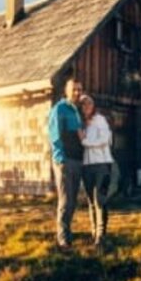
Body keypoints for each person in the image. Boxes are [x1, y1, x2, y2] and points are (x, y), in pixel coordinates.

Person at [47, 77, 84, 248]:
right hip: (64, 160)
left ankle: (67, 232)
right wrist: (60, 158)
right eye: (74, 89)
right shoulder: (59, 109)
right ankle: (62, 239)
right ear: (66, 91)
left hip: (77, 160)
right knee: (65, 200)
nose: (77, 92)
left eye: (79, 89)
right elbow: (55, 135)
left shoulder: (76, 111)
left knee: (73, 200)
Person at [78, 94, 113, 247]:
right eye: (83, 104)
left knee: (100, 199)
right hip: (86, 166)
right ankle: (94, 233)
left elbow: (105, 139)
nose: (87, 106)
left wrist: (85, 141)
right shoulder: (81, 124)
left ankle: (101, 235)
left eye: (89, 103)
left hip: (103, 164)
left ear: (93, 106)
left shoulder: (100, 120)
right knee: (91, 201)